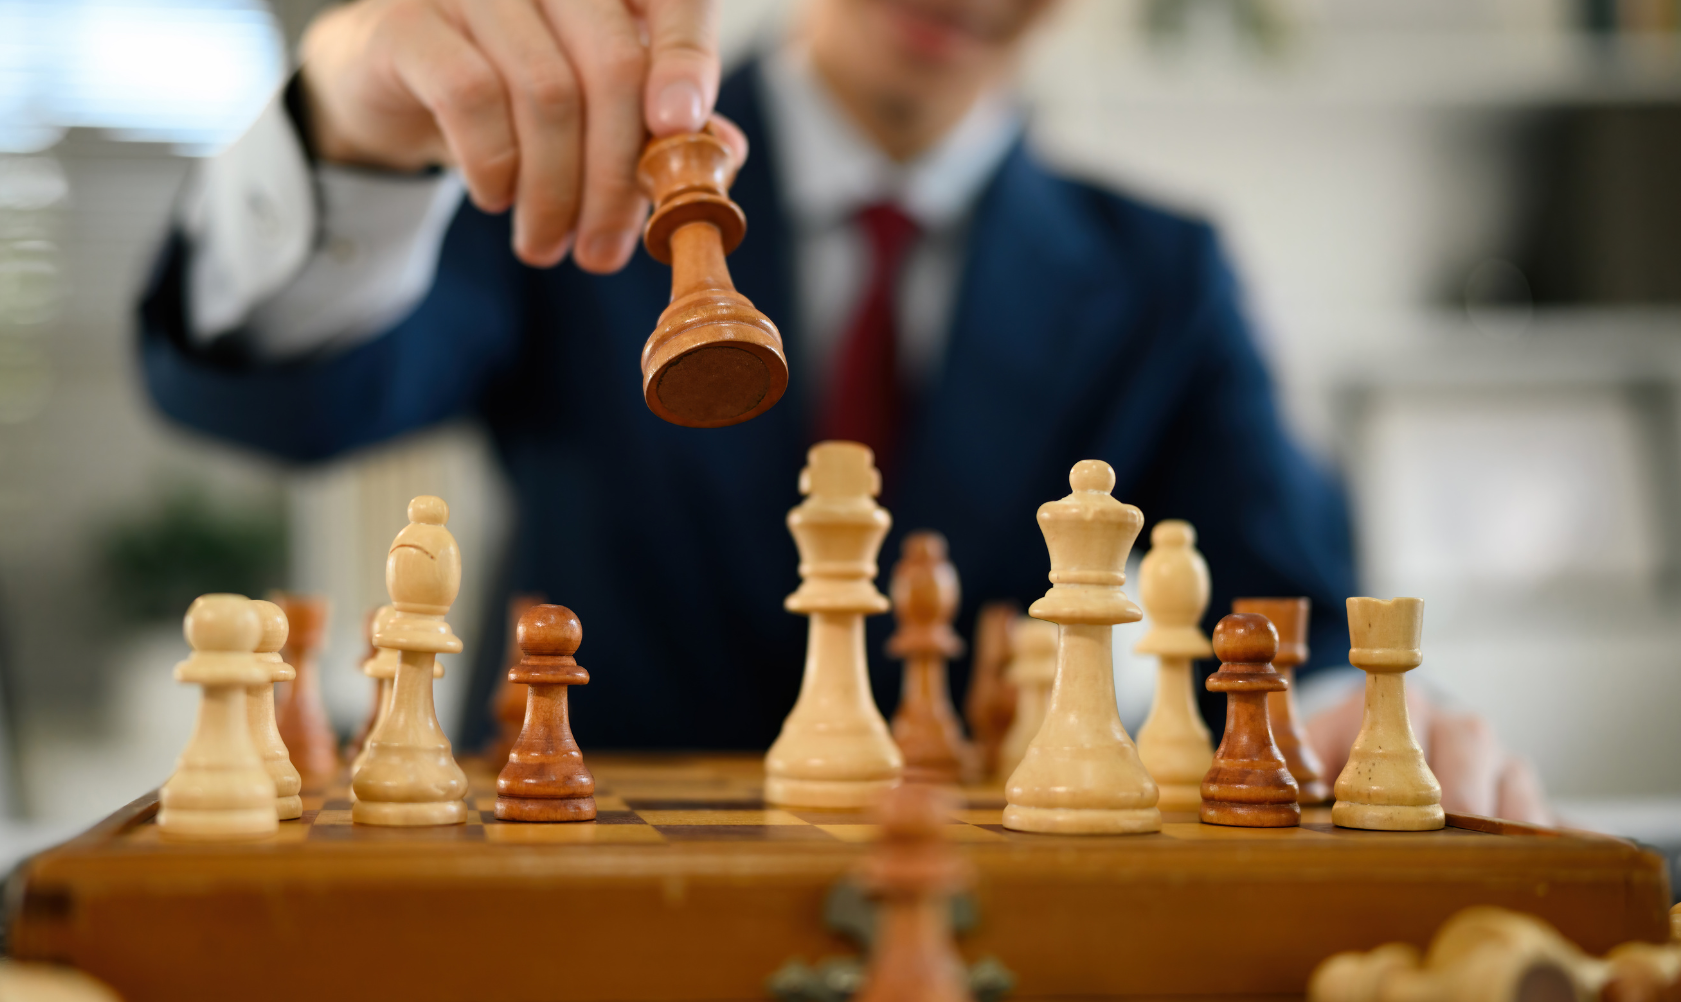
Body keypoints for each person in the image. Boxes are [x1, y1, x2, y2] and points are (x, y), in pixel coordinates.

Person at [136, 0, 1546, 821]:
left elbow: (1286, 610)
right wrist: (358, 143)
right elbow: (285, 403)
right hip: (585, 917)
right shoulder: (570, 186)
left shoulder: (1164, 275)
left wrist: (1360, 723)